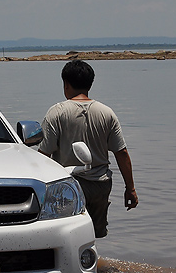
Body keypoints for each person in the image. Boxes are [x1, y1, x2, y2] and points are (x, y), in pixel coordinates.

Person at [39, 60, 138, 238]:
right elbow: (121, 153)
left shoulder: (57, 112)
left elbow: (44, 155)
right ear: (90, 83)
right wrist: (130, 188)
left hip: (69, 186)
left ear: (66, 84)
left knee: (67, 234)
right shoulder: (107, 113)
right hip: (101, 185)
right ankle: (93, 263)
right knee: (93, 234)